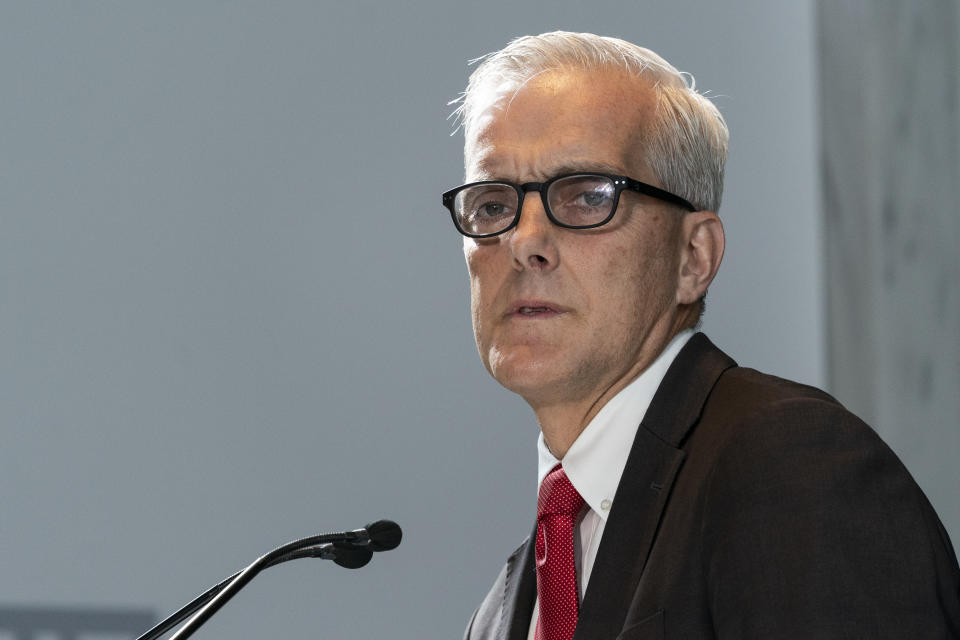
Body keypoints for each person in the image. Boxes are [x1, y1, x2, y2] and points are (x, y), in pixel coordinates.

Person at [442, 32, 960, 639]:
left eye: (587, 197)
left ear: (694, 256)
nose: (524, 241)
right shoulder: (502, 609)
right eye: (492, 205)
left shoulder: (793, 469)